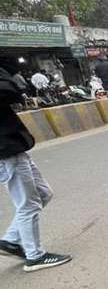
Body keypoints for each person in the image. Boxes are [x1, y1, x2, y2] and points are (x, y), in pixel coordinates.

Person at [0, 66, 72, 271]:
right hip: (6, 152)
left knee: (44, 193)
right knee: (28, 204)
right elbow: (12, 90)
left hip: (14, 147)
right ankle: (35, 256)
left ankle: (12, 240)